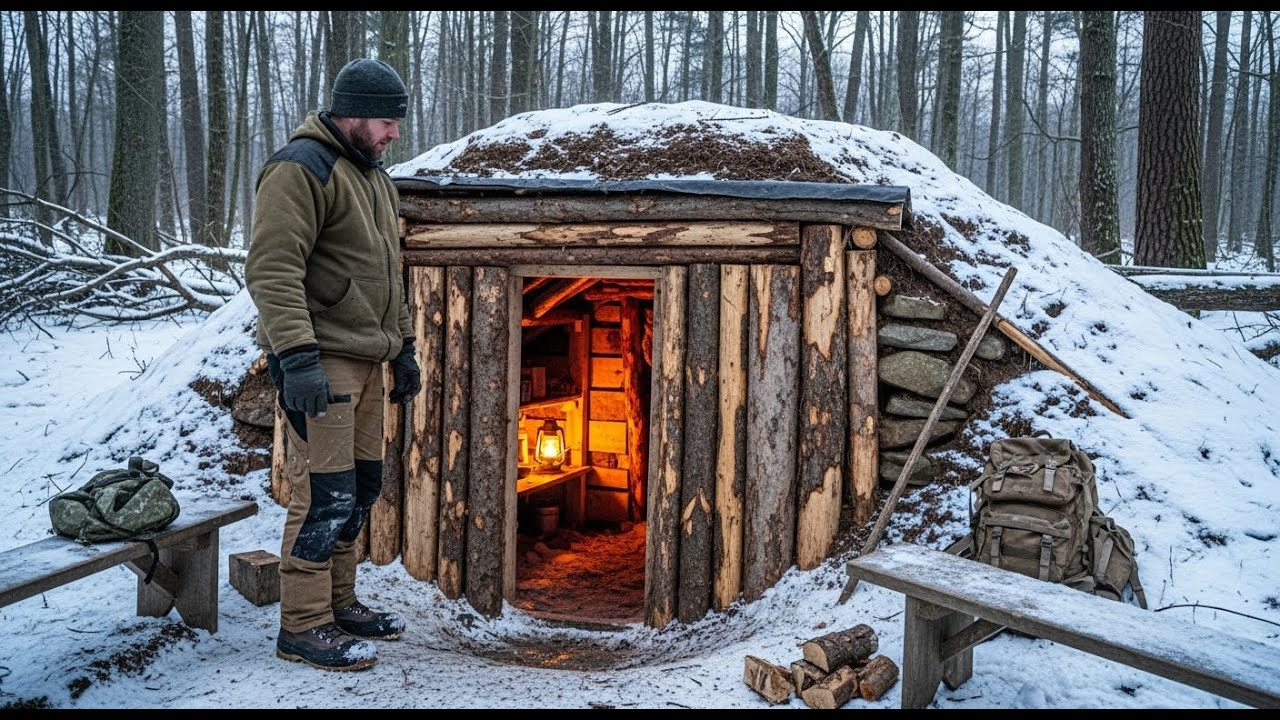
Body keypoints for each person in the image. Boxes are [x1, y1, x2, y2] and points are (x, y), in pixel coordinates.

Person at [245, 57, 421, 672]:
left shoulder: (372, 175)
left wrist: (405, 348)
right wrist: (296, 358)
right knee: (323, 493)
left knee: (361, 490)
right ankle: (303, 624)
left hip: (368, 362)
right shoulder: (301, 169)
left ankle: (340, 604)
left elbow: (390, 277)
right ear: (350, 114)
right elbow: (272, 270)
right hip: (321, 362)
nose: (394, 134)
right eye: (384, 122)